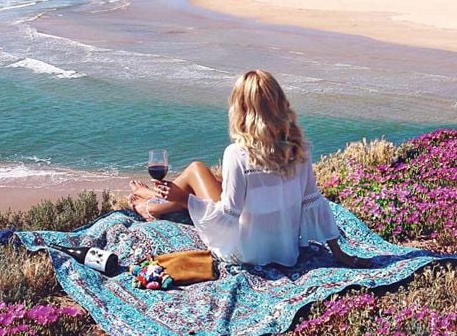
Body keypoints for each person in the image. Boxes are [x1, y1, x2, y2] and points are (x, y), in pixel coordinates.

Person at [129, 70, 370, 268]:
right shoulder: (299, 148)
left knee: (196, 169)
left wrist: (186, 199)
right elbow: (312, 201)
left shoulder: (237, 154)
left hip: (246, 251)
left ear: (241, 109)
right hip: (286, 250)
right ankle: (152, 198)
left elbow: (227, 218)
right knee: (219, 184)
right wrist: (340, 254)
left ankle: (151, 205)